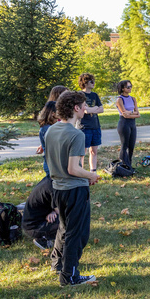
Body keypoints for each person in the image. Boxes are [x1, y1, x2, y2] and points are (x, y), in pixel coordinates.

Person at [44, 90, 99, 286]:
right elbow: (73, 168)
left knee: (65, 229)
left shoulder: (51, 130)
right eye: (83, 105)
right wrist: (91, 175)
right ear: (76, 108)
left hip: (57, 189)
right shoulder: (76, 135)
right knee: (78, 234)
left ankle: (59, 264)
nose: (86, 108)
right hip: (74, 191)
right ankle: (70, 276)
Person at [22, 175, 59, 250]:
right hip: (34, 227)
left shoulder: (50, 178)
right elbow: (63, 212)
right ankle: (42, 239)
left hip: (33, 220)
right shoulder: (53, 187)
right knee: (69, 220)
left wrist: (53, 210)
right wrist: (55, 210)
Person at [78, 73, 103, 173]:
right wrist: (94, 108)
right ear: (84, 82)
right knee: (82, 152)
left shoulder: (95, 95)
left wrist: (92, 109)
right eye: (91, 81)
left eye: (94, 81)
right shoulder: (80, 95)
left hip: (95, 126)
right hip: (84, 127)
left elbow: (101, 109)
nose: (93, 83)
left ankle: (93, 171)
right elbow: (84, 110)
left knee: (94, 151)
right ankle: (80, 171)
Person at [115, 80, 139, 170]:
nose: (130, 88)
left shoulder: (133, 99)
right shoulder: (119, 99)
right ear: (122, 88)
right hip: (124, 124)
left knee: (131, 146)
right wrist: (133, 113)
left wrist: (130, 112)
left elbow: (138, 114)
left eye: (131, 86)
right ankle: (123, 165)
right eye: (128, 87)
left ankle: (129, 165)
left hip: (132, 124)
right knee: (124, 145)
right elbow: (124, 114)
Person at [35, 101, 58, 176]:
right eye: (59, 110)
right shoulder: (47, 128)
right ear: (53, 113)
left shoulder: (50, 126)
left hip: (53, 164)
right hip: (51, 165)